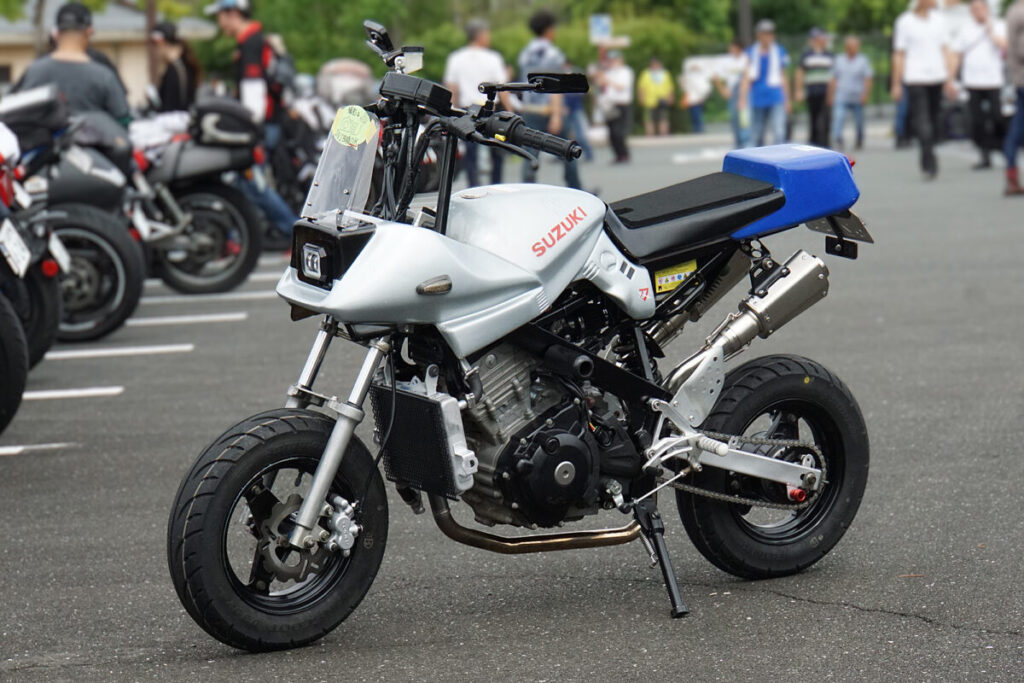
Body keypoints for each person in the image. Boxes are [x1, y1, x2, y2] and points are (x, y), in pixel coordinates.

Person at [205, 0, 298, 239]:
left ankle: (295, 233)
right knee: (245, 183)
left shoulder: (250, 43)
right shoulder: (256, 39)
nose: (220, 23)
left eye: (220, 16)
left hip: (260, 127)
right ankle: (236, 237)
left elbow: (254, 93)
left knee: (254, 185)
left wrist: (248, 130)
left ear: (232, 13)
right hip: (267, 124)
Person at [14, 3, 129, 125]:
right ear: (89, 31)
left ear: (56, 32)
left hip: (44, 137)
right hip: (95, 136)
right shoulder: (103, 73)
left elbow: (15, 111)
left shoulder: (34, 71)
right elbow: (123, 117)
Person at [892, 0, 957, 180]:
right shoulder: (904, 21)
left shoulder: (939, 20)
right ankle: (928, 161)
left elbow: (946, 50)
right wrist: (896, 83)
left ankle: (928, 151)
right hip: (915, 78)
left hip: (937, 76)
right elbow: (899, 54)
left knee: (934, 120)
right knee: (922, 120)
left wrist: (950, 78)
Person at [443, 19, 513, 187]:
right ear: (480, 35)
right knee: (496, 150)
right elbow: (502, 88)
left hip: (467, 110)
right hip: (490, 110)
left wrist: (450, 112)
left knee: (471, 153)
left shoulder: (456, 58)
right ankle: (496, 185)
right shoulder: (493, 58)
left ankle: (474, 186)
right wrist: (510, 111)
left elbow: (452, 88)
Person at [517, 10, 581, 189]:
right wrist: (557, 115)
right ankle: (576, 188)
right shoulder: (553, 53)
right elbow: (555, 86)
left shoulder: (525, 53)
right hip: (549, 109)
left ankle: (526, 188)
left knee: (529, 152)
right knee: (567, 149)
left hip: (531, 109)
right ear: (548, 29)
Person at [951, 0, 1007, 169]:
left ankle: (1001, 146)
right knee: (977, 120)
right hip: (972, 81)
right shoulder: (965, 29)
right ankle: (984, 154)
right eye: (974, 9)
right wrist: (950, 79)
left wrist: (990, 30)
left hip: (993, 80)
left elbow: (1004, 46)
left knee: (997, 117)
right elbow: (957, 54)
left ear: (987, 9)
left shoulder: (999, 25)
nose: (978, 12)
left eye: (980, 8)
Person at [740, 19, 791, 147]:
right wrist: (742, 98)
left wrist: (787, 99)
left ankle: (779, 157)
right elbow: (746, 77)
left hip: (776, 96)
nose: (767, 36)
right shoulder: (750, 52)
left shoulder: (779, 51)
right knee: (757, 135)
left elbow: (783, 76)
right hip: (757, 97)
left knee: (779, 132)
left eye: (770, 33)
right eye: (764, 33)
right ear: (758, 35)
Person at [828, 35, 874, 150]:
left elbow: (868, 78)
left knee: (859, 120)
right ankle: (838, 138)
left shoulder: (863, 60)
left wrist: (865, 94)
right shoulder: (839, 60)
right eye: (851, 46)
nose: (853, 48)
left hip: (857, 94)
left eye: (855, 46)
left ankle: (859, 138)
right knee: (838, 117)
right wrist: (831, 95)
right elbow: (834, 78)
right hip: (842, 94)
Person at [796, 28, 835, 148]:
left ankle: (825, 144)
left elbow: (834, 75)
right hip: (812, 91)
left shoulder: (830, 55)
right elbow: (800, 72)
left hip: (826, 91)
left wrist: (832, 93)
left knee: (825, 119)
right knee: (813, 119)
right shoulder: (806, 55)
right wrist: (799, 90)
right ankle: (813, 144)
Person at [151, 21, 201, 112]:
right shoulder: (183, 65)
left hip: (175, 119)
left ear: (161, 42)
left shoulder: (176, 70)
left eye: (155, 44)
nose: (155, 50)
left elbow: (171, 106)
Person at [598, 50, 635, 163]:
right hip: (610, 105)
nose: (612, 62)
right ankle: (618, 154)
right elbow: (601, 85)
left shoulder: (626, 72)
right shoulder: (609, 72)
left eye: (615, 60)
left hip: (622, 104)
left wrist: (608, 80)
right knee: (611, 132)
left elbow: (621, 86)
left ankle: (624, 153)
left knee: (618, 132)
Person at [1004, 0, 1024, 195]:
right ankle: (1011, 177)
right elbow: (1014, 50)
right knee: (1017, 130)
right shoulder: (1018, 11)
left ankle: (1012, 177)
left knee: (1017, 129)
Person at [715, 40, 751, 148]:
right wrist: (723, 90)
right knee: (735, 119)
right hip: (732, 91)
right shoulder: (726, 61)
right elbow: (716, 76)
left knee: (744, 120)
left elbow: (748, 76)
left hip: (745, 91)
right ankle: (738, 143)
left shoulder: (746, 58)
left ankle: (745, 143)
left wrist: (743, 95)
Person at [637, 57, 673, 136]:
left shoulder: (665, 73)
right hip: (649, 100)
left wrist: (670, 98)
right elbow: (641, 87)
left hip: (663, 99)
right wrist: (641, 97)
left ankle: (663, 135)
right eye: (653, 64)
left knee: (663, 118)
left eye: (657, 64)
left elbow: (670, 87)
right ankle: (650, 135)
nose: (655, 66)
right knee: (649, 119)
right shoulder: (646, 74)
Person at [680, 60, 711, 133]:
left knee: (697, 115)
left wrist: (704, 97)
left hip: (698, 99)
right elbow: (684, 86)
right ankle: (697, 130)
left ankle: (699, 130)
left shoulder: (701, 76)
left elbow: (705, 88)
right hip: (691, 100)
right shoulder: (688, 76)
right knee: (694, 116)